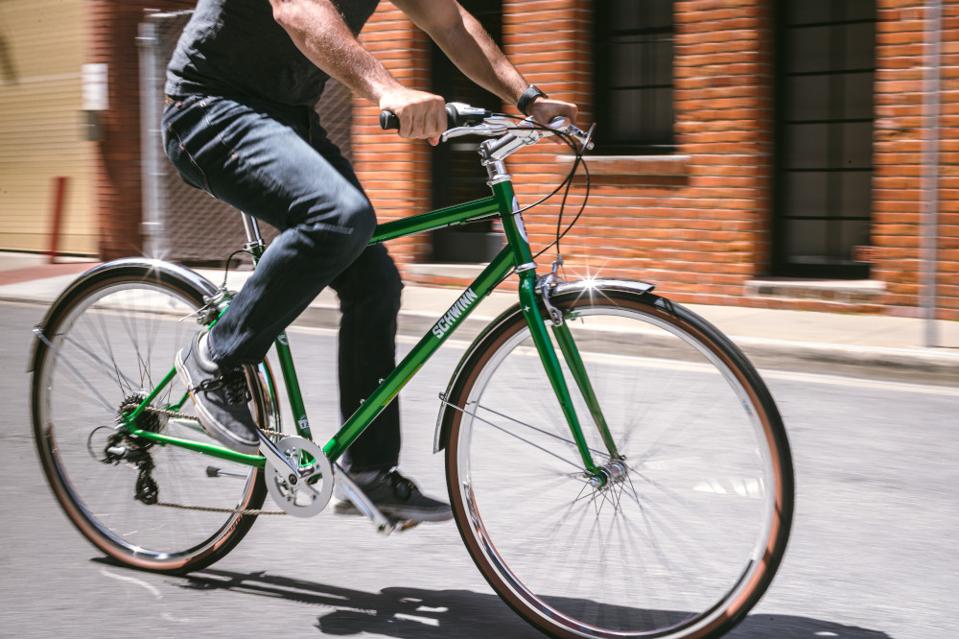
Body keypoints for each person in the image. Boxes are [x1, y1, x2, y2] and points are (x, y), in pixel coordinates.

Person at [162, 0, 578, 523]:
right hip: (209, 109)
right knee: (338, 218)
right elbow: (297, 10)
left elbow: (450, 21)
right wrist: (388, 88)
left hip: (288, 118)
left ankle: (369, 473)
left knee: (376, 282)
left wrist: (527, 98)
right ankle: (216, 357)